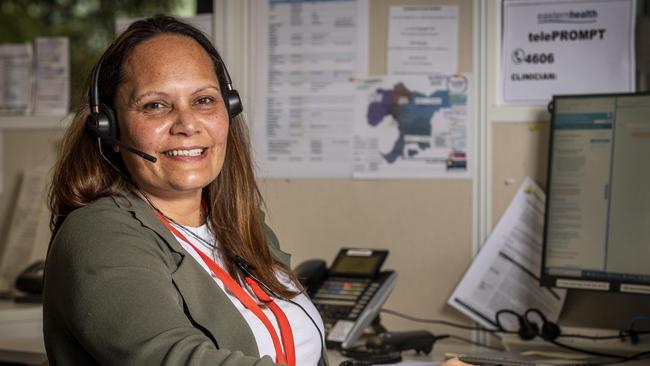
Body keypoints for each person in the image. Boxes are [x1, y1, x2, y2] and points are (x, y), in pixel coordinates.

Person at [43, 15, 471, 366]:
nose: (187, 123)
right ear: (109, 128)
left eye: (205, 100)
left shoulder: (239, 226)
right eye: (156, 105)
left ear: (228, 111)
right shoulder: (98, 234)